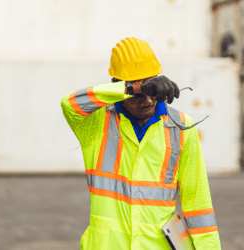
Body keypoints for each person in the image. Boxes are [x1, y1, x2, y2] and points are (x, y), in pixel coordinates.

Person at [61, 37, 221, 250]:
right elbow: (70, 104)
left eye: (152, 90)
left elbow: (199, 206)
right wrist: (131, 87)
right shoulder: (97, 123)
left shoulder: (180, 127)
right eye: (139, 94)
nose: (148, 100)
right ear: (118, 86)